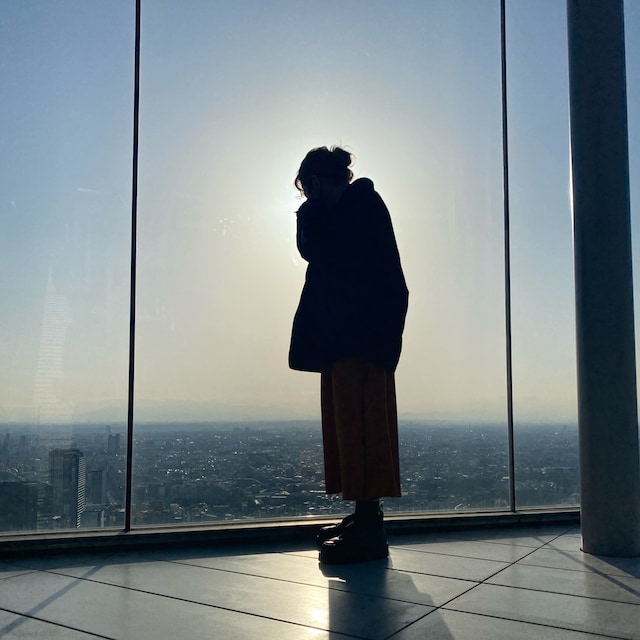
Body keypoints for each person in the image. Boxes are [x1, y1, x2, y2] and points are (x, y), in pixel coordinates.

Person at [289, 146, 409, 564]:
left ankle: (369, 530)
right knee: (354, 429)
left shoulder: (356, 211)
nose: (306, 199)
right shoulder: (361, 209)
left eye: (306, 190)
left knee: (361, 429)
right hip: (356, 340)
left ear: (315, 182)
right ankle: (365, 517)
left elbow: (315, 250)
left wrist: (309, 211)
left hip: (358, 341)